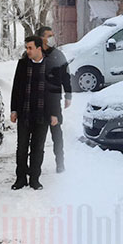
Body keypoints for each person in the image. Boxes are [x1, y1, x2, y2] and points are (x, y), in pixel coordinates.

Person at [10, 36, 60, 190]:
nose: (28, 51)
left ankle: (34, 179)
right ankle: (20, 178)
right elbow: (16, 88)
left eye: (30, 48)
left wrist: (54, 114)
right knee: (22, 147)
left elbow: (55, 92)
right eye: (26, 48)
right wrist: (14, 109)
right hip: (25, 113)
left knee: (38, 148)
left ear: (39, 48)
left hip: (42, 115)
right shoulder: (23, 64)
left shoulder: (51, 65)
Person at [35, 26, 72, 173]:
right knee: (39, 136)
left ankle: (60, 163)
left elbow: (66, 76)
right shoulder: (35, 55)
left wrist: (68, 95)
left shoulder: (57, 55)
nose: (52, 38)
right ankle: (36, 167)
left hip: (54, 99)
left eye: (53, 35)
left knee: (57, 133)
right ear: (41, 38)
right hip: (37, 101)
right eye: (49, 35)